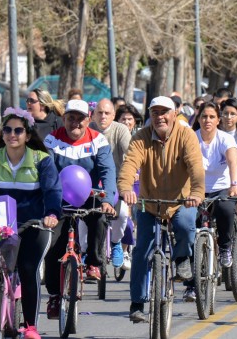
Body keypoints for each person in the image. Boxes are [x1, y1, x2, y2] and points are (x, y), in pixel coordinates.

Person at [0, 109, 62, 339]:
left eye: (18, 130)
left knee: (28, 269)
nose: (12, 134)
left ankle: (30, 325)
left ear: (27, 135)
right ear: (2, 133)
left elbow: (53, 191)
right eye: (7, 130)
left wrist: (52, 214)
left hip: (33, 224)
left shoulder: (42, 161)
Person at [117, 96, 204, 323]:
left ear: (174, 113)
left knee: (185, 226)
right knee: (141, 251)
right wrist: (126, 188)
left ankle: (182, 257)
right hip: (150, 203)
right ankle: (137, 303)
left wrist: (196, 192)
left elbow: (195, 166)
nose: (159, 117)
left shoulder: (186, 135)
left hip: (181, 201)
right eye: (155, 112)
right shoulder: (141, 137)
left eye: (164, 112)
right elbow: (129, 165)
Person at [43, 100, 117, 318]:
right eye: (71, 118)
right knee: (54, 243)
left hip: (90, 194)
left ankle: (94, 262)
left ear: (89, 118)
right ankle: (55, 296)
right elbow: (45, 169)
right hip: (60, 196)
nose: (75, 123)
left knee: (99, 220)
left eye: (80, 118)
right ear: (64, 118)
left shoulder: (98, 140)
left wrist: (108, 201)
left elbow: (108, 172)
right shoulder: (52, 139)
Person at [182, 102, 237, 301]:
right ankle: (191, 285)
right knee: (189, 229)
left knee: (225, 208)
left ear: (218, 120)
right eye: (204, 117)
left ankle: (224, 246)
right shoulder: (191, 138)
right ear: (198, 119)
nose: (207, 120)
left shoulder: (225, 139)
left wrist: (234, 184)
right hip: (196, 190)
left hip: (222, 187)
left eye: (212, 117)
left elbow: (233, 161)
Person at [89, 99, 133, 270]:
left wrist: (133, 174)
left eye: (107, 113)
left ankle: (116, 243)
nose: (103, 116)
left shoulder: (120, 130)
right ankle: (86, 250)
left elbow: (131, 154)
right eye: (99, 112)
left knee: (121, 214)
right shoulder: (88, 129)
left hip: (116, 181)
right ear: (93, 114)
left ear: (114, 115)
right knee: (84, 217)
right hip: (91, 183)